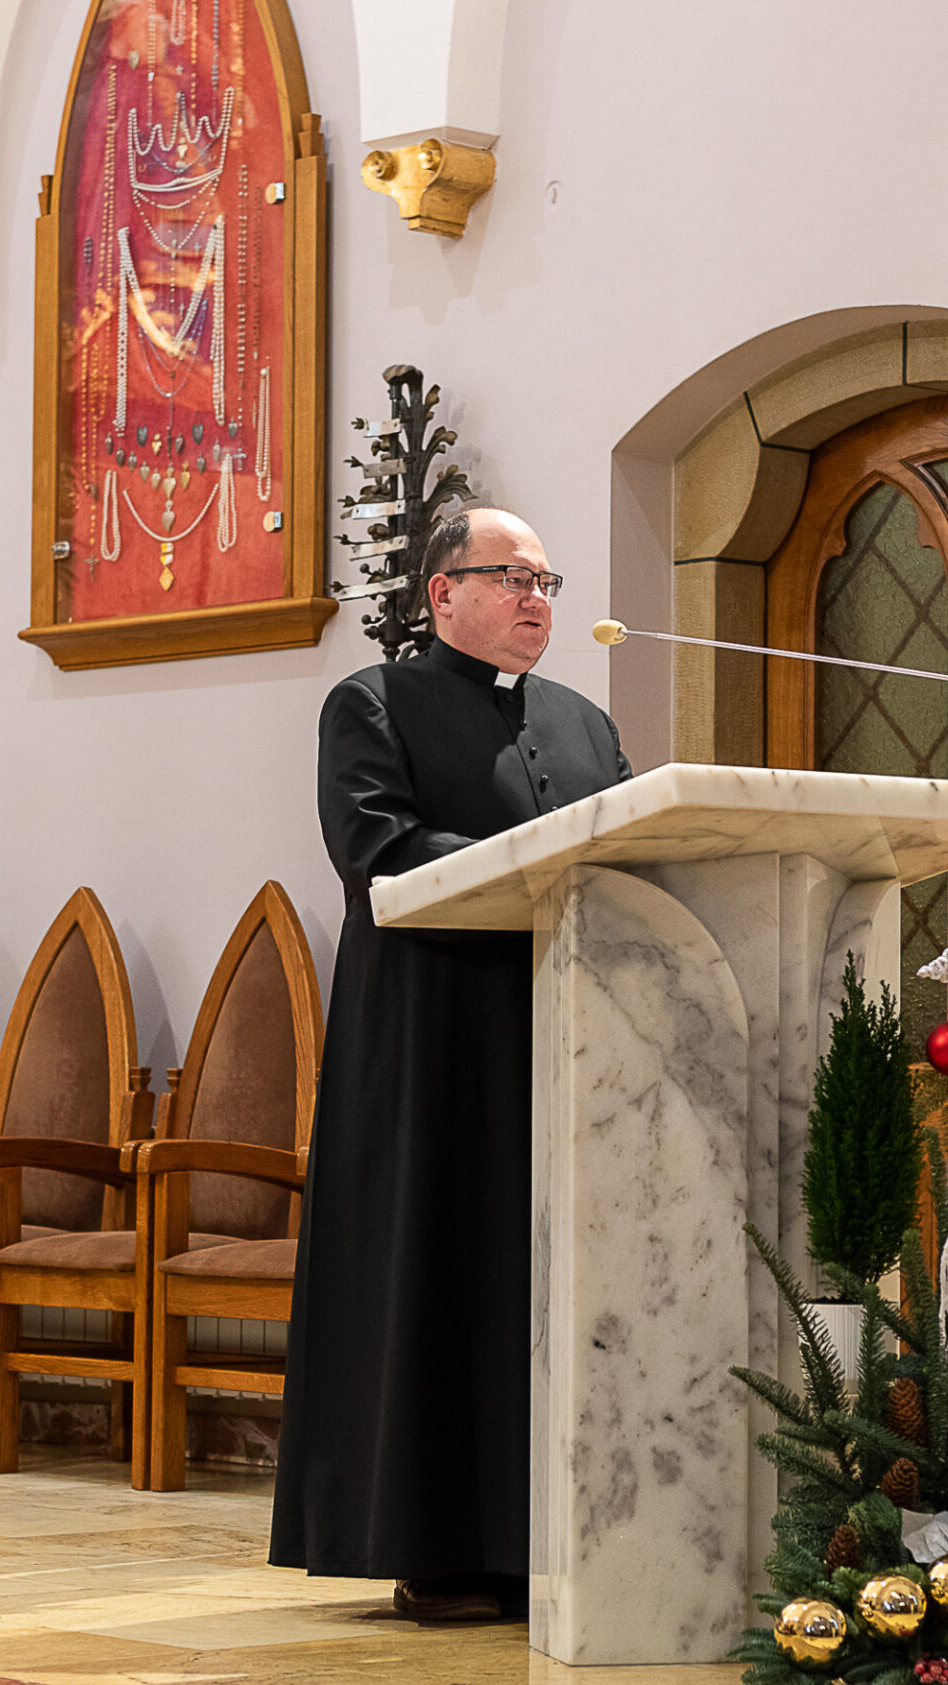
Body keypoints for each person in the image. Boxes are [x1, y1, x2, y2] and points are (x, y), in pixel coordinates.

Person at [270, 508, 632, 1622]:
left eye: (546, 581)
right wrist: (544, 865)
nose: (536, 598)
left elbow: (624, 853)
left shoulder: (583, 722)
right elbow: (377, 847)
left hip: (562, 1035)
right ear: (442, 593)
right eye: (510, 576)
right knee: (441, 1273)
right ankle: (433, 1545)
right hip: (430, 1044)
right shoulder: (372, 703)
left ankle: (553, 1540)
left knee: (544, 1285)